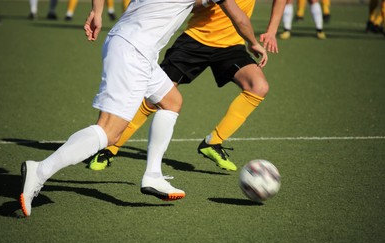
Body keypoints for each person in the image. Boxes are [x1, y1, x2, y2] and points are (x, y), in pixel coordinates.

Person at [20, 0, 269, 217]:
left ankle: (153, 176)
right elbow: (236, 14)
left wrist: (96, 10)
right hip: (133, 50)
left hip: (134, 46)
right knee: (109, 131)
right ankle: (40, 170)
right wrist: (253, 43)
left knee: (171, 101)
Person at [88, 0, 285, 172]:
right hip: (195, 40)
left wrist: (272, 31)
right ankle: (110, 148)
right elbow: (189, 6)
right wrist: (207, 1)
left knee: (258, 86)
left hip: (231, 45)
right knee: (155, 98)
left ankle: (213, 142)